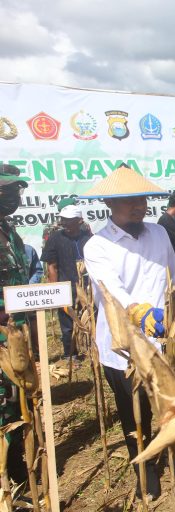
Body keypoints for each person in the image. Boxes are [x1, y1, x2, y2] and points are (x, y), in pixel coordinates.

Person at [81, 165, 175, 500]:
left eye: (142, 199)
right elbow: (113, 293)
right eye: (128, 200)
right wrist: (144, 314)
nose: (138, 206)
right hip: (123, 346)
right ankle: (144, 469)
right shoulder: (97, 246)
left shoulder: (158, 234)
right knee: (135, 414)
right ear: (109, 203)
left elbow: (174, 277)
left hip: (166, 340)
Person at [0, 164, 31, 486]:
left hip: (17, 333)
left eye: (15, 191)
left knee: (18, 400)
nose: (13, 197)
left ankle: (19, 467)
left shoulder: (8, 229)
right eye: (6, 191)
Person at [41, 203, 92, 360]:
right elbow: (52, 266)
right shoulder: (56, 238)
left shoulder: (89, 238)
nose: (65, 223)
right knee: (67, 324)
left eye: (69, 220)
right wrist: (55, 290)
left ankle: (93, 351)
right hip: (65, 286)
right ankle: (70, 354)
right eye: (63, 220)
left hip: (88, 288)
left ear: (79, 220)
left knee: (91, 318)